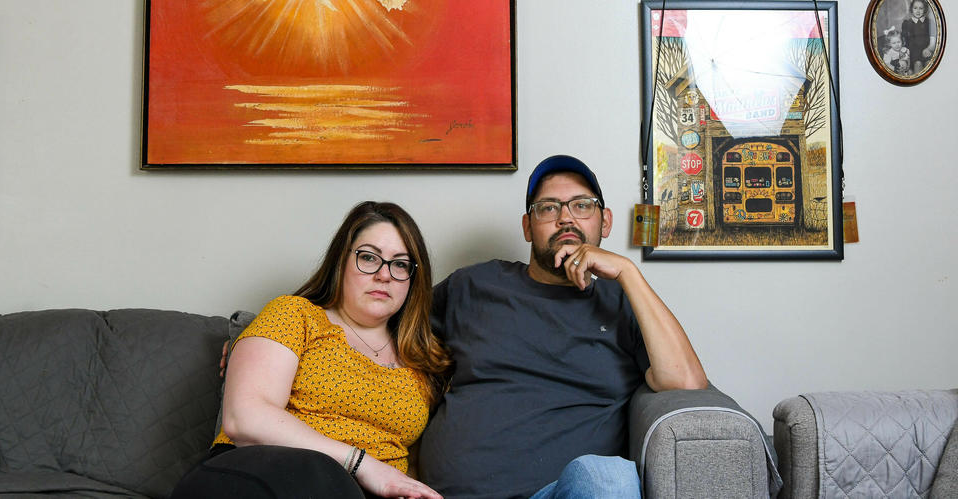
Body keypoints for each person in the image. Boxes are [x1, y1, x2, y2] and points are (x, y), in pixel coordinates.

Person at [419, 155, 708, 499]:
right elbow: (390, 335)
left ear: (605, 222)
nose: (566, 217)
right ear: (528, 227)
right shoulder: (474, 285)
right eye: (548, 208)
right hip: (447, 493)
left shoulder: (623, 301)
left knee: (610, 476)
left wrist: (628, 272)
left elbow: (686, 381)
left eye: (582, 206)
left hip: (560, 492)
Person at [172, 201, 450, 499]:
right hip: (264, 473)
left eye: (400, 264)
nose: (384, 274)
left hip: (357, 493)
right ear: (341, 261)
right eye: (369, 258)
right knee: (321, 474)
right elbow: (244, 417)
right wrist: (362, 464)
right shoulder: (296, 315)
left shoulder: (424, 359)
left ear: (412, 279)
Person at [901, 0, 935, 73]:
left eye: (921, 8)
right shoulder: (906, 23)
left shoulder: (930, 22)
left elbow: (933, 43)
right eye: (915, 8)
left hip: (926, 51)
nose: (918, 11)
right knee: (918, 64)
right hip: (912, 53)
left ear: (925, 9)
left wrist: (929, 49)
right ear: (911, 9)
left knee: (929, 63)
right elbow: (904, 42)